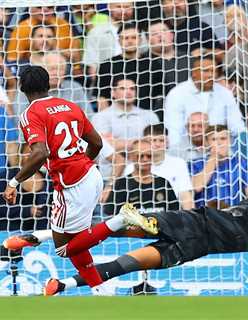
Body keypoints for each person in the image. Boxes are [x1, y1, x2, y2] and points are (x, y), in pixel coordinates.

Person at [5, 109, 248, 296]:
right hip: (188, 245)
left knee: (114, 250)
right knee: (122, 262)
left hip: (185, 225)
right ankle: (58, 274)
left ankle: (52, 258)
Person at [1, 65, 156, 294]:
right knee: (77, 244)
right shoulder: (70, 106)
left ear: (22, 87)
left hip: (71, 184)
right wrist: (83, 166)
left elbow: (40, 152)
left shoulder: (30, 114)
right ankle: (100, 291)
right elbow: (97, 143)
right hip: (90, 175)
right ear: (48, 84)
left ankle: (121, 219)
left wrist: (13, 182)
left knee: (64, 248)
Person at [103, 139, 180, 216]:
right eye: (140, 156)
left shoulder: (163, 183)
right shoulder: (122, 184)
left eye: (148, 156)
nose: (145, 159)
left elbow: (175, 214)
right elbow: (111, 215)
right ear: (131, 157)